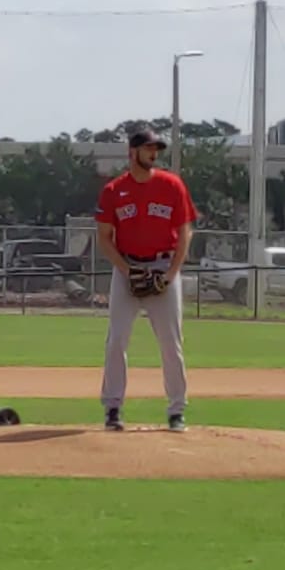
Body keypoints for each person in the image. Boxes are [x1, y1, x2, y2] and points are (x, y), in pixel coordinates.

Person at [95, 128, 197, 432]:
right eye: (148, 148)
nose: (154, 154)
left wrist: (170, 274)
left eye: (157, 149)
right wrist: (127, 271)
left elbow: (185, 234)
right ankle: (113, 408)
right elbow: (104, 238)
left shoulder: (172, 186)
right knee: (116, 341)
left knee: (170, 344)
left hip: (164, 266)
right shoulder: (114, 191)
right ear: (133, 151)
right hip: (127, 269)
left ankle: (176, 410)